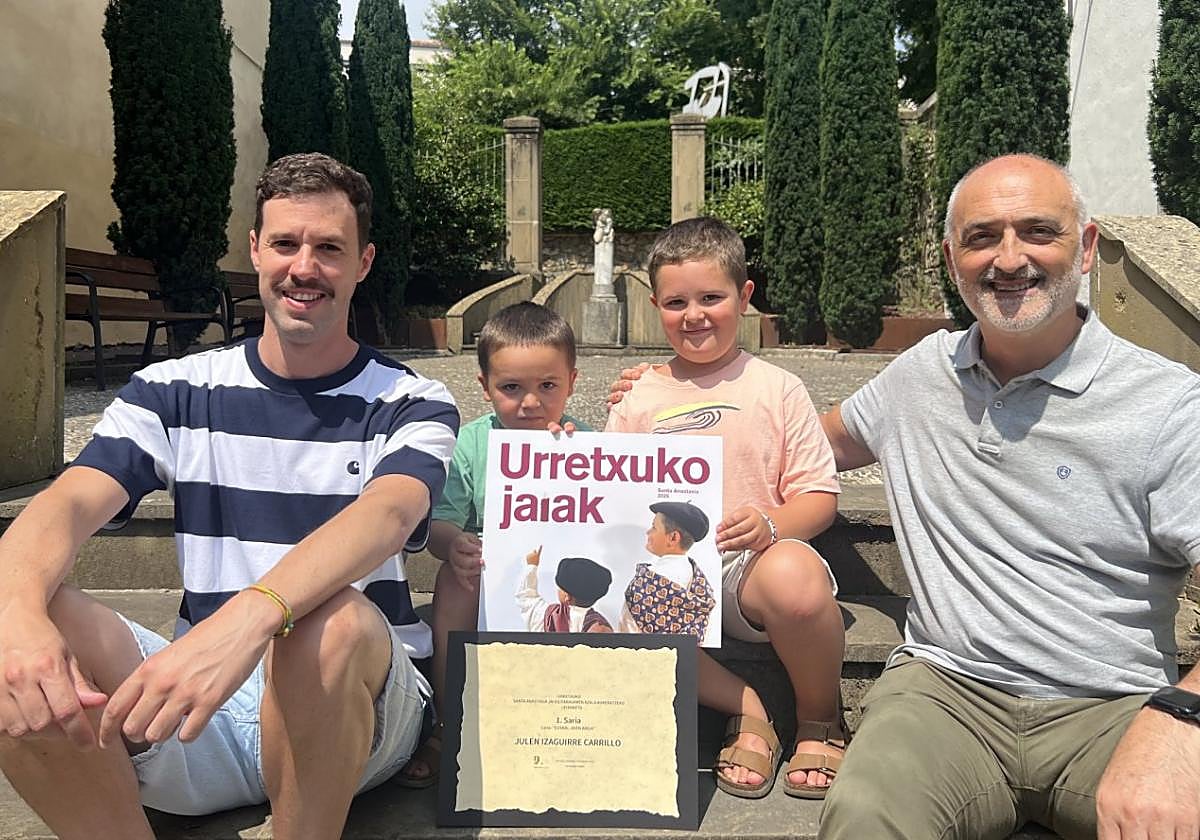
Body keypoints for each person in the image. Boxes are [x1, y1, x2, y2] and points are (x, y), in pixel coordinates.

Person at [0, 153, 460, 838]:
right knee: (14, 626)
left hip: (353, 711)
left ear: (363, 263)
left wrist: (246, 623)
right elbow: (65, 505)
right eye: (285, 244)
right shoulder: (173, 389)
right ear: (254, 251)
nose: (304, 267)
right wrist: (18, 617)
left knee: (324, 625)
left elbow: (387, 514)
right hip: (196, 710)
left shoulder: (409, 399)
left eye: (329, 248)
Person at [814, 154, 1200, 839]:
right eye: (982, 236)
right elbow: (813, 442)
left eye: (1038, 232)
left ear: (1085, 247)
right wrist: (671, 413)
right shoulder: (921, 376)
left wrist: (1182, 718)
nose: (1009, 258)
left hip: (1111, 707)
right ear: (950, 256)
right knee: (864, 815)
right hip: (947, 697)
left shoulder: (1169, 406)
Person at [606, 217, 845, 800]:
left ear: (744, 297)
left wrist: (770, 526)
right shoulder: (637, 396)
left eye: (711, 298)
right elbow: (606, 495)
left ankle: (819, 719)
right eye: (676, 301)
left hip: (744, 572)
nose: (694, 315)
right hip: (667, 571)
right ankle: (751, 713)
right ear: (656, 307)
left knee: (795, 573)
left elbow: (819, 496)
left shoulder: (778, 387)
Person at [399, 301, 589, 786]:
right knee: (455, 579)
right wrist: (455, 545)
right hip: (492, 573)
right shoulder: (470, 444)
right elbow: (438, 522)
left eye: (547, 386)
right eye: (511, 388)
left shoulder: (586, 443)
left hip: (565, 577)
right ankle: (449, 717)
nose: (530, 402)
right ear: (484, 388)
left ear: (572, 380)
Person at [618, 501, 718, 645]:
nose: (648, 532)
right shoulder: (702, 587)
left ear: (673, 538)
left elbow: (626, 634)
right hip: (688, 663)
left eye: (654, 527)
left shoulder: (643, 584)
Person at [516, 547, 614, 633]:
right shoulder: (601, 628)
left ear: (567, 596)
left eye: (560, 588)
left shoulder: (547, 616)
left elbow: (526, 597)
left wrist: (531, 566)